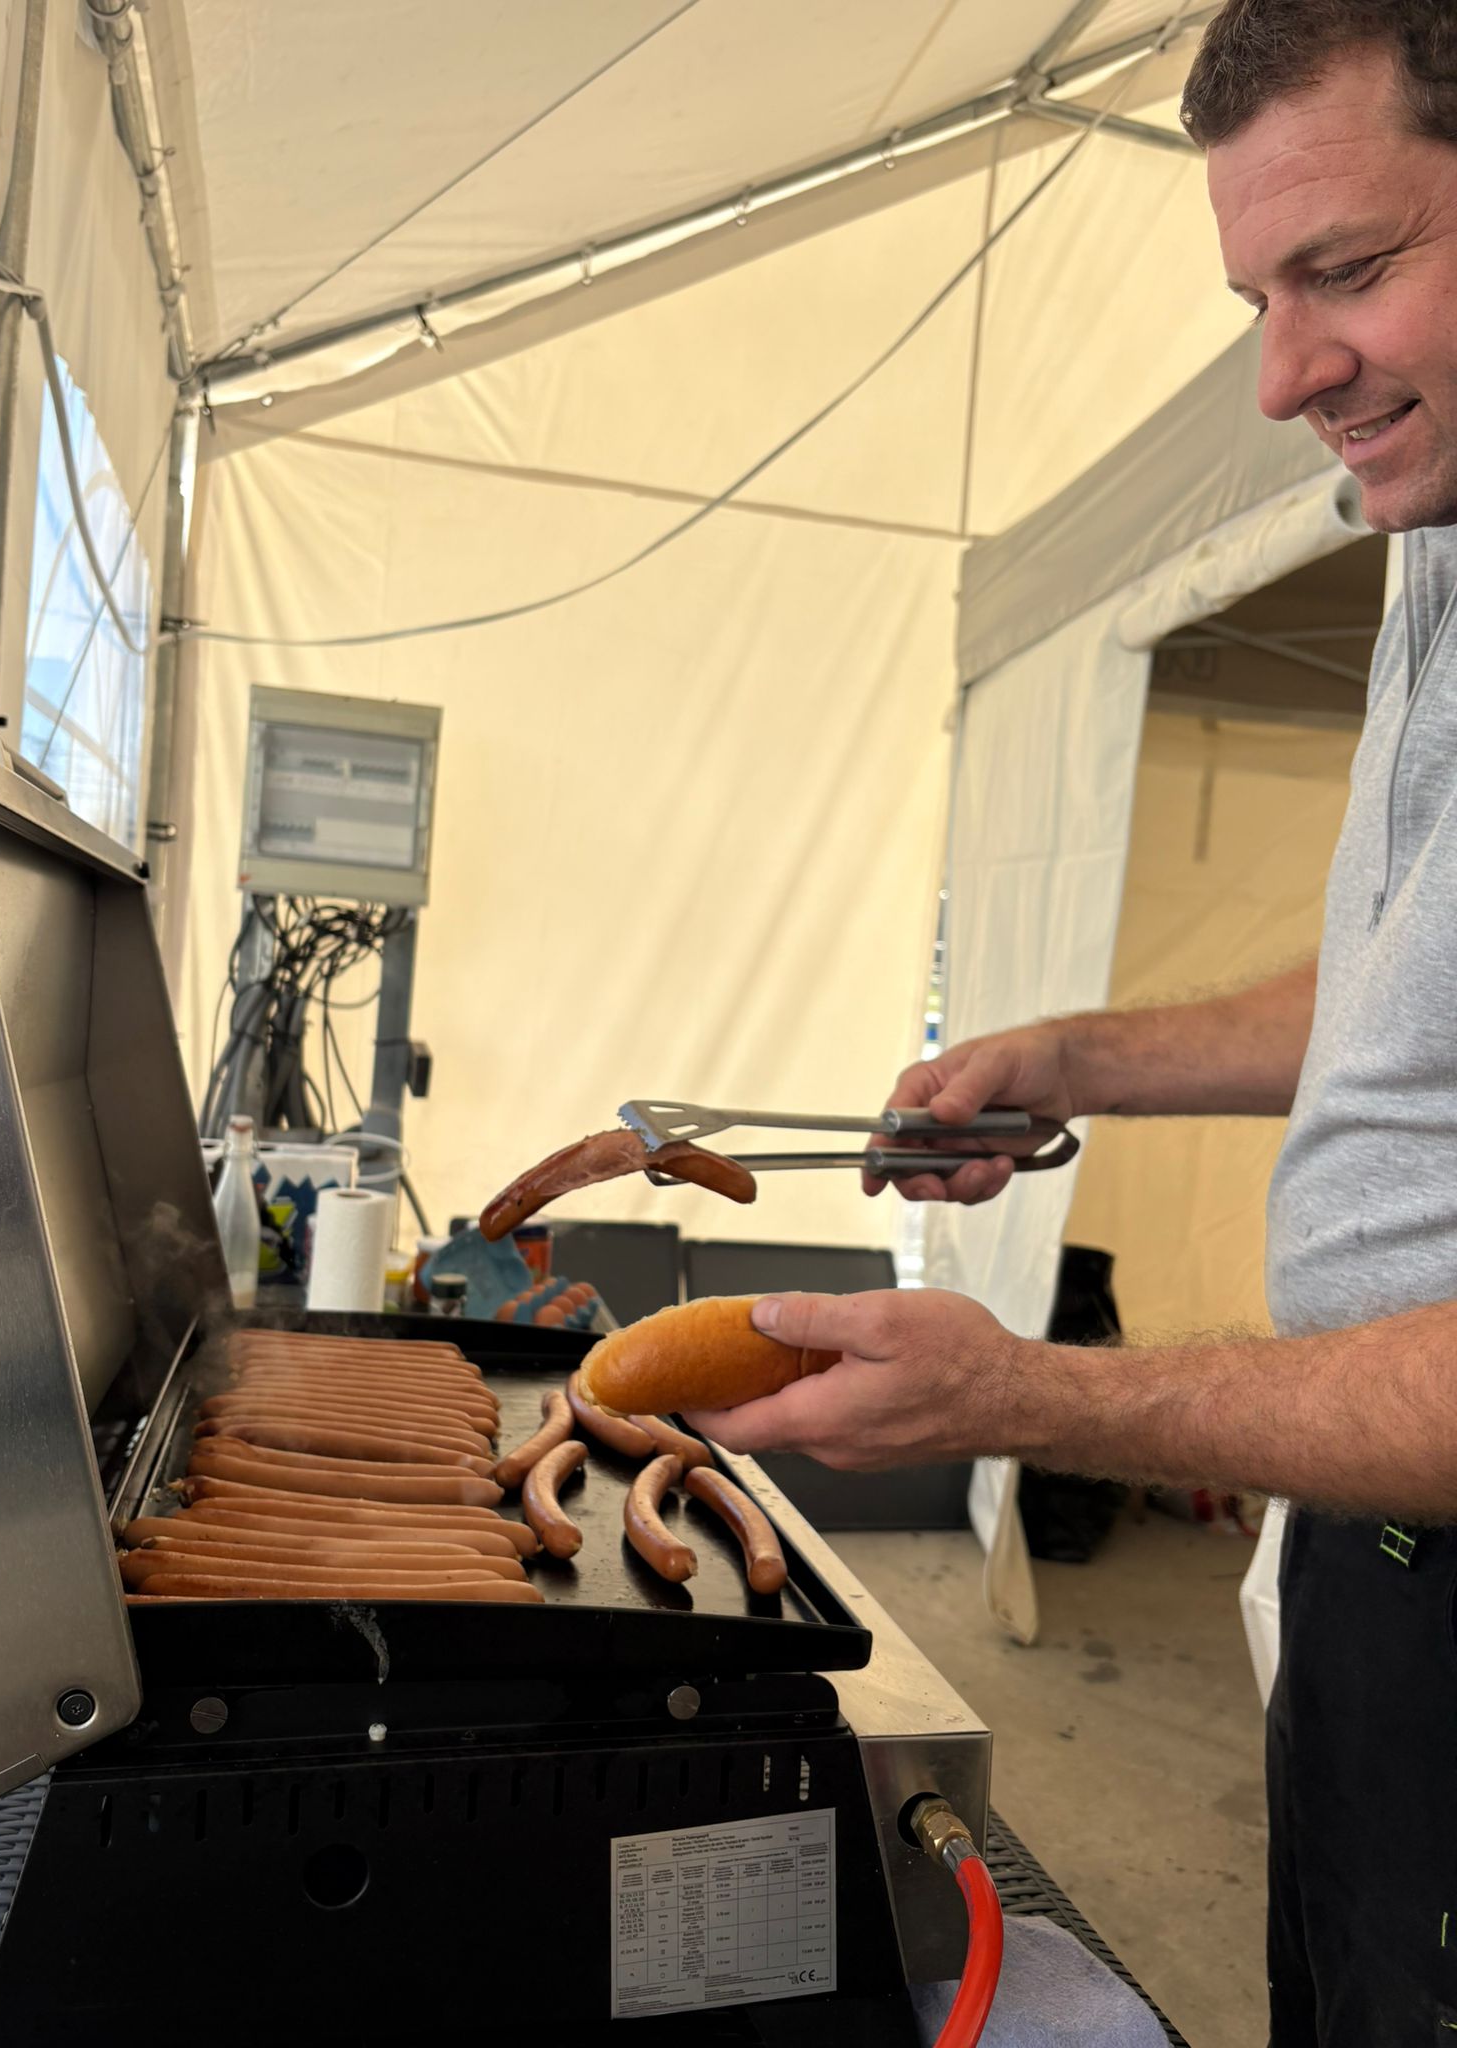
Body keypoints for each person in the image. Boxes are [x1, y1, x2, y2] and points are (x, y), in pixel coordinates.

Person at [683, 4, 1457, 2041]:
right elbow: (1412, 1000)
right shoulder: (1437, 549)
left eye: (1354, 268)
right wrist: (1077, 1061)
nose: (1288, 374)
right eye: (1256, 295)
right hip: (1379, 1572)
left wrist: (1027, 1399)